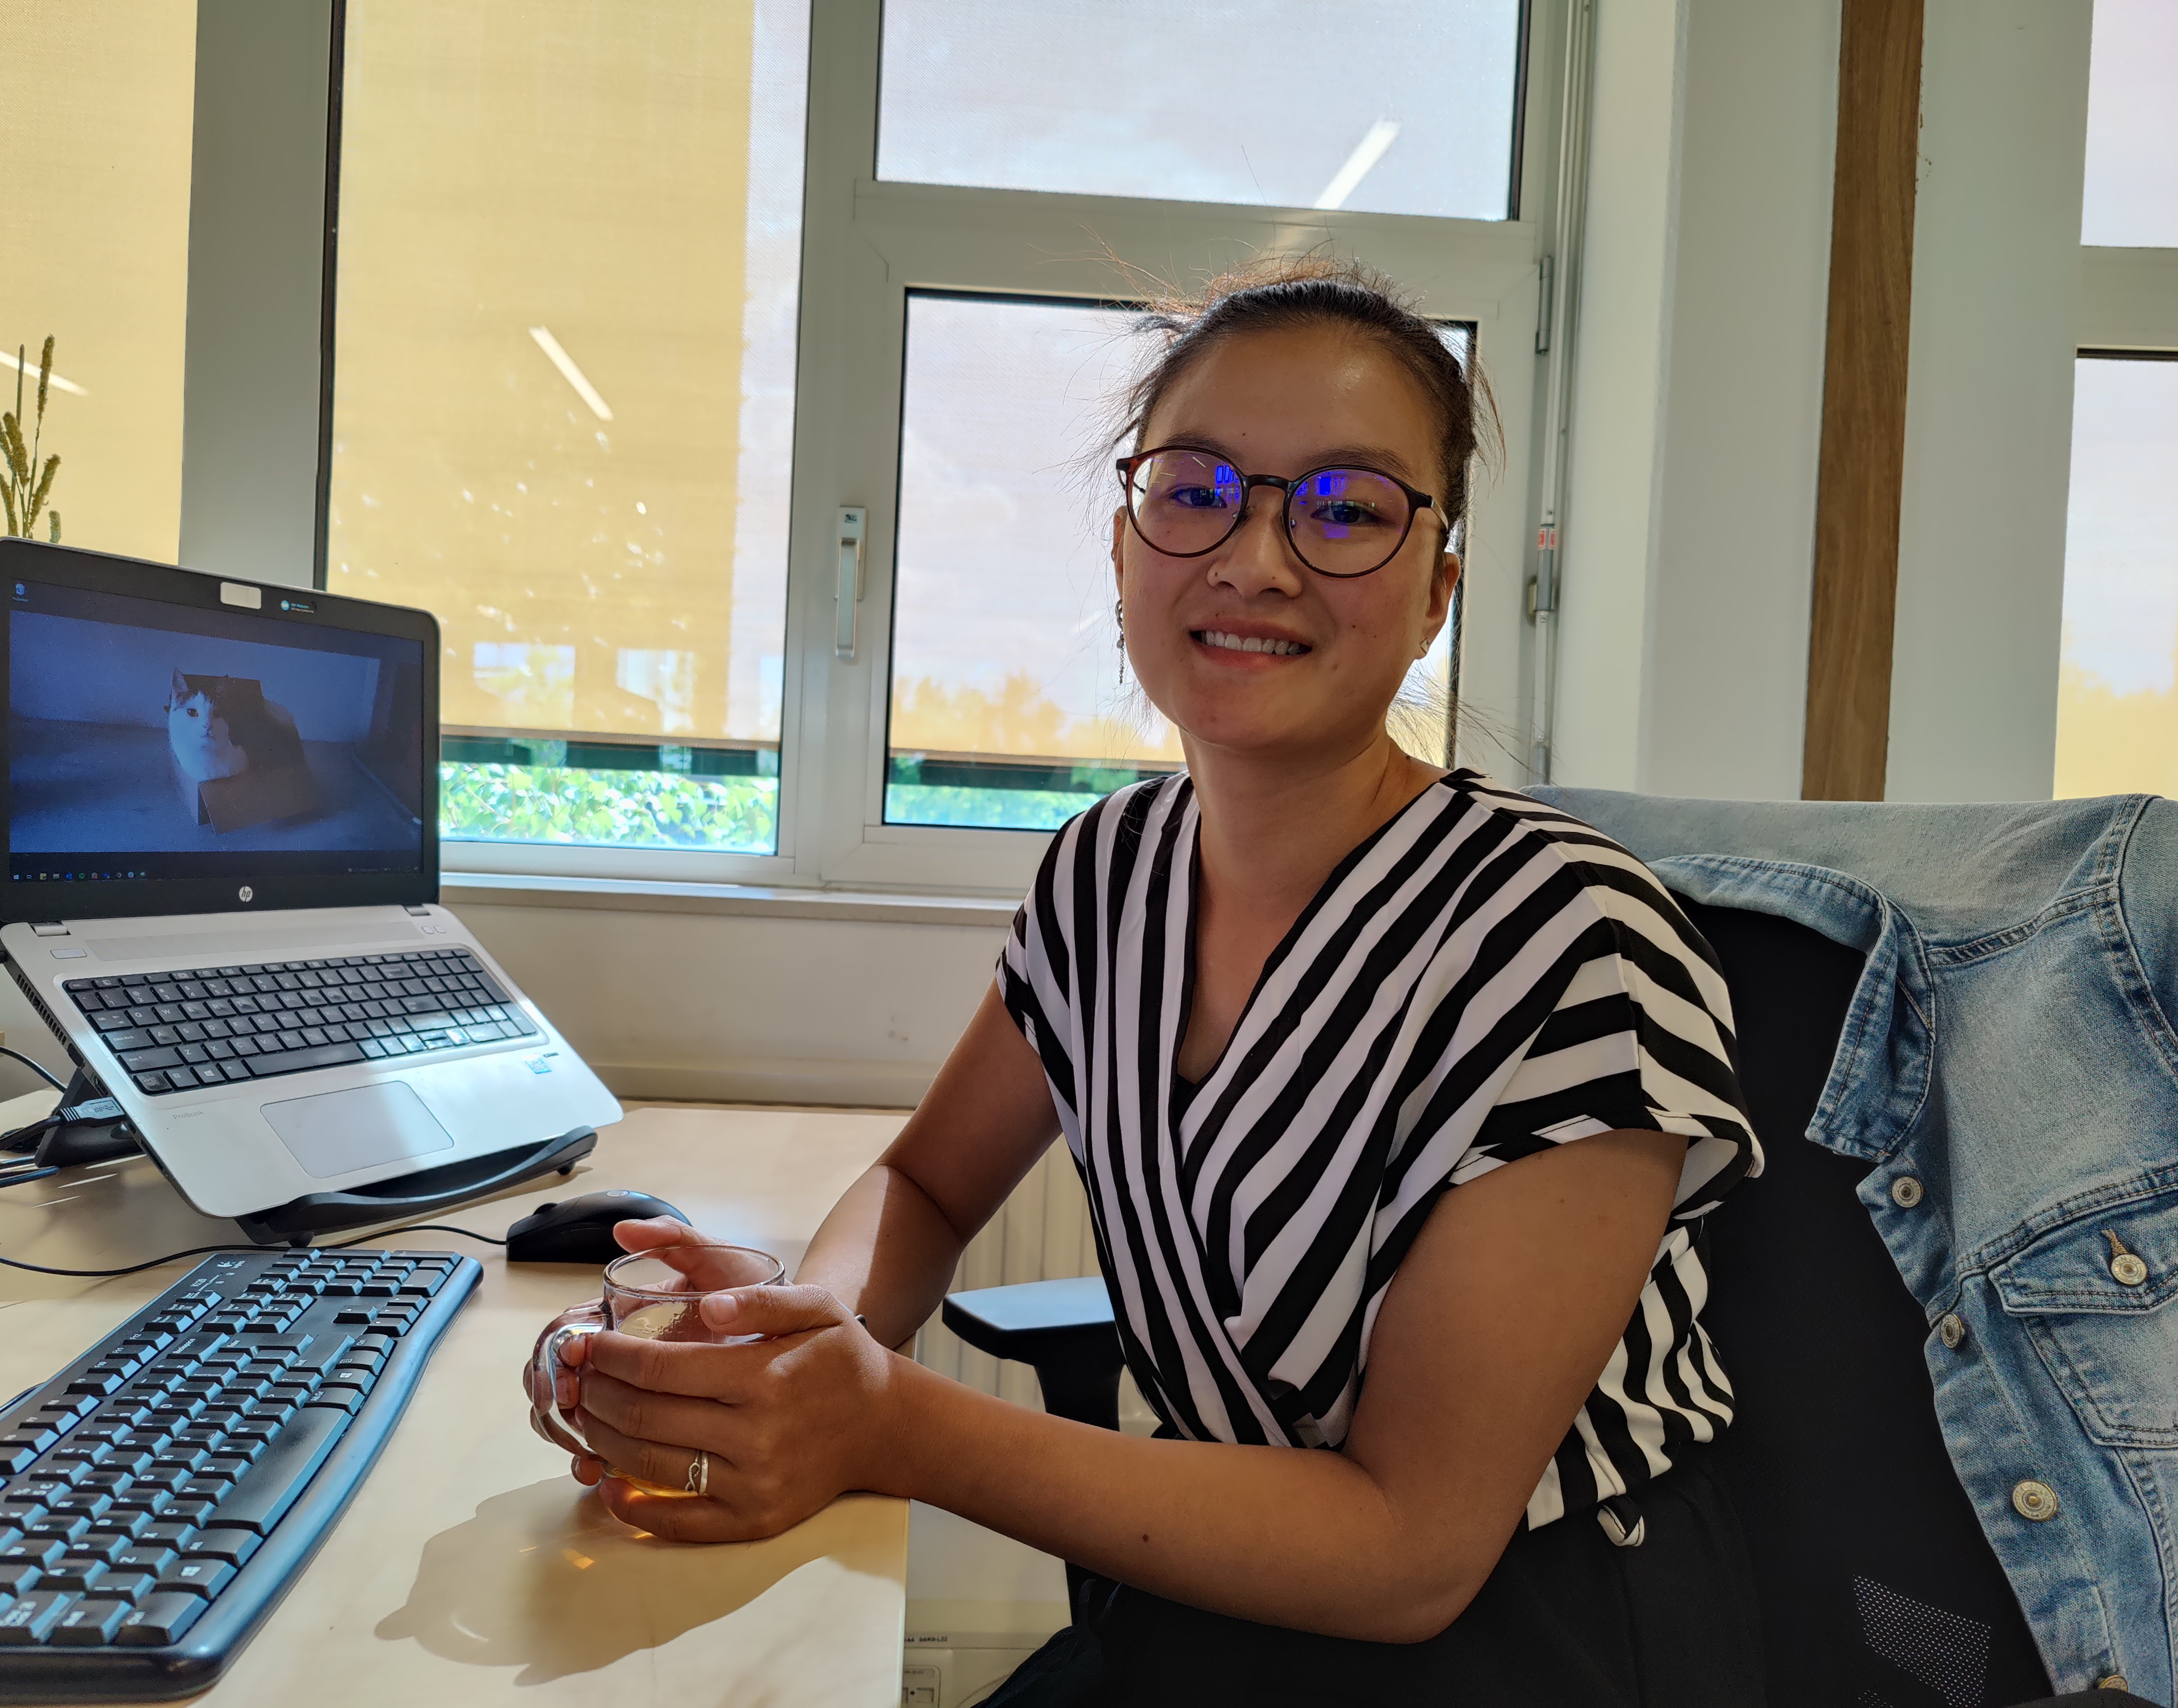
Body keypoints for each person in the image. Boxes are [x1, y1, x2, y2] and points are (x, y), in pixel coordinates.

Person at [525, 256, 1770, 1706]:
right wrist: (799, 1334)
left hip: (1536, 1637)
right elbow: (925, 1187)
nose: (1255, 559)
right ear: (1124, 549)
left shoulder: (1569, 941)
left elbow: (1411, 1549)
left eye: (1345, 509)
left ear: (1437, 589)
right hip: (1213, 1607)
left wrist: (884, 1424)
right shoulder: (1108, 872)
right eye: (1193, 491)